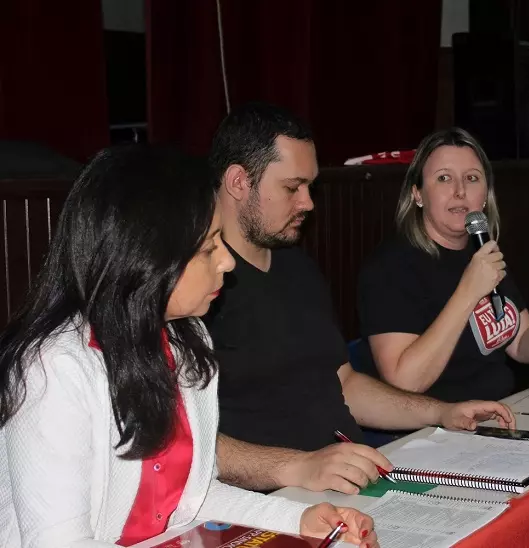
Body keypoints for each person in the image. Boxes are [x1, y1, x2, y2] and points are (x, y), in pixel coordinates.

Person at [0, 146, 377, 548]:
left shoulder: (185, 341)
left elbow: (192, 500)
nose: (227, 262)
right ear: (147, 255)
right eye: (209, 247)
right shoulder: (52, 368)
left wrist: (299, 519)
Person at [205, 103, 514, 496]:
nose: (308, 202)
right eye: (292, 187)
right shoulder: (192, 290)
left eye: (310, 187)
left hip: (350, 481)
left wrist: (441, 412)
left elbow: (344, 384)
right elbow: (180, 444)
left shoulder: (297, 267)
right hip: (271, 498)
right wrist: (298, 467)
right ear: (238, 182)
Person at [356, 128, 529, 402]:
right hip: (430, 423)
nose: (460, 191)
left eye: (472, 178)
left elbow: (521, 342)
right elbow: (405, 382)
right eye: (444, 178)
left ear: (485, 196)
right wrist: (469, 291)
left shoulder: (482, 253)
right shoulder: (390, 268)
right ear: (418, 194)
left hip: (496, 411)